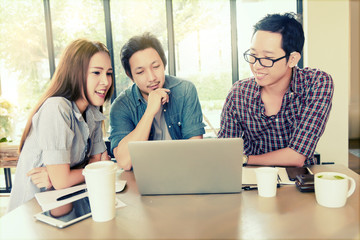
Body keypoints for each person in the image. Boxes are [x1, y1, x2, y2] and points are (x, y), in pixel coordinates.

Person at [7, 39, 114, 212]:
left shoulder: (92, 112)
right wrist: (89, 171)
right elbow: (69, 178)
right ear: (75, 73)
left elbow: (97, 164)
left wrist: (64, 175)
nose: (106, 81)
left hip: (66, 204)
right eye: (96, 73)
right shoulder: (56, 108)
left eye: (108, 73)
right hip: (32, 213)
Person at [218, 12, 334, 167]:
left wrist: (244, 159)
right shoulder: (239, 92)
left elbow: (297, 156)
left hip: (297, 181)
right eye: (253, 55)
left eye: (267, 58)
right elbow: (225, 151)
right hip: (250, 179)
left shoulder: (317, 83)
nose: (256, 65)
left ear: (292, 59)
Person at [109, 32, 205, 170]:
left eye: (155, 67)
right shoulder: (121, 106)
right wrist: (150, 112)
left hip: (183, 170)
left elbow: (195, 150)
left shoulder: (185, 90)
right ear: (130, 76)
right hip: (141, 178)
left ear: (164, 64)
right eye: (140, 72)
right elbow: (124, 162)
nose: (151, 77)